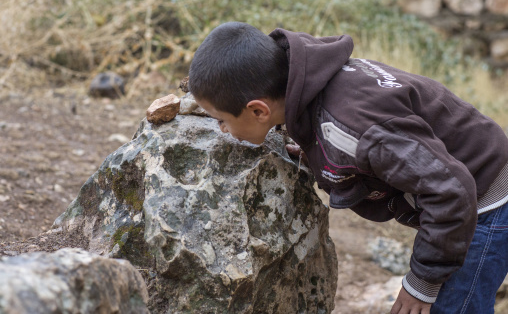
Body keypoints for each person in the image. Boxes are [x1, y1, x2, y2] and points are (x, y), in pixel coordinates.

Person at [188, 21, 508, 314]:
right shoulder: (311, 80)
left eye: (222, 121)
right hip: (468, 185)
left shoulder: (352, 129)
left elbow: (451, 191)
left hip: (485, 205)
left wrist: (421, 285)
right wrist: (317, 151)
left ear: (258, 110)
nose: (223, 130)